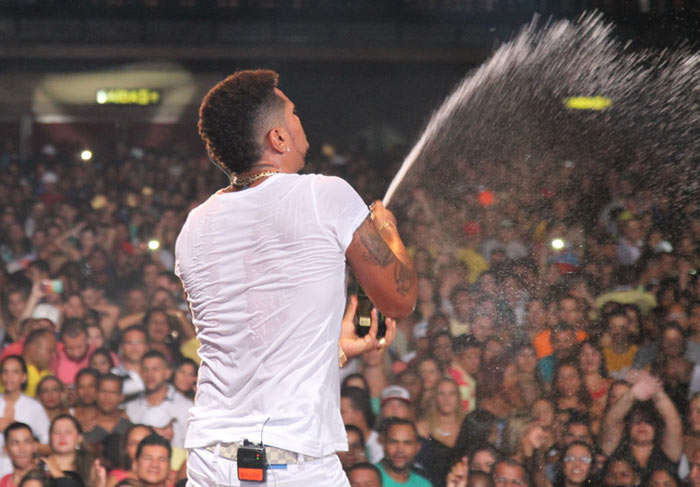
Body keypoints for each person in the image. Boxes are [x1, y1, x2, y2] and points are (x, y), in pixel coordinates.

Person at [176, 69, 417, 487]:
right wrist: (390, 233)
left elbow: (251, 348)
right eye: (294, 114)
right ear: (278, 139)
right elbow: (400, 299)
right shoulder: (322, 195)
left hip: (209, 462)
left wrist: (339, 350)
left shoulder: (194, 226)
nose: (301, 121)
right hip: (291, 465)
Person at [124, 351, 192, 449]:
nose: (150, 374)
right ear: (140, 373)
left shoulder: (187, 407)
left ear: (167, 373)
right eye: (145, 369)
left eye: (155, 369)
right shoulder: (130, 408)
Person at [0, 356, 50, 478]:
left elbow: (48, 444)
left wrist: (26, 444)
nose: (9, 376)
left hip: (24, 473)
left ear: (24, 377)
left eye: (15, 372)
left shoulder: (34, 407)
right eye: (5, 371)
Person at [376, 418, 431, 487]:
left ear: (417, 447)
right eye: (394, 442)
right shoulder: (367, 478)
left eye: (407, 443)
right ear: (384, 444)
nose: (400, 450)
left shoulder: (423, 484)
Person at [0, 423, 37, 487]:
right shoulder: (3, 483)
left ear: (34, 446)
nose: (22, 449)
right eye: (15, 443)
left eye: (27, 442)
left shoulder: (49, 479)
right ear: (5, 449)